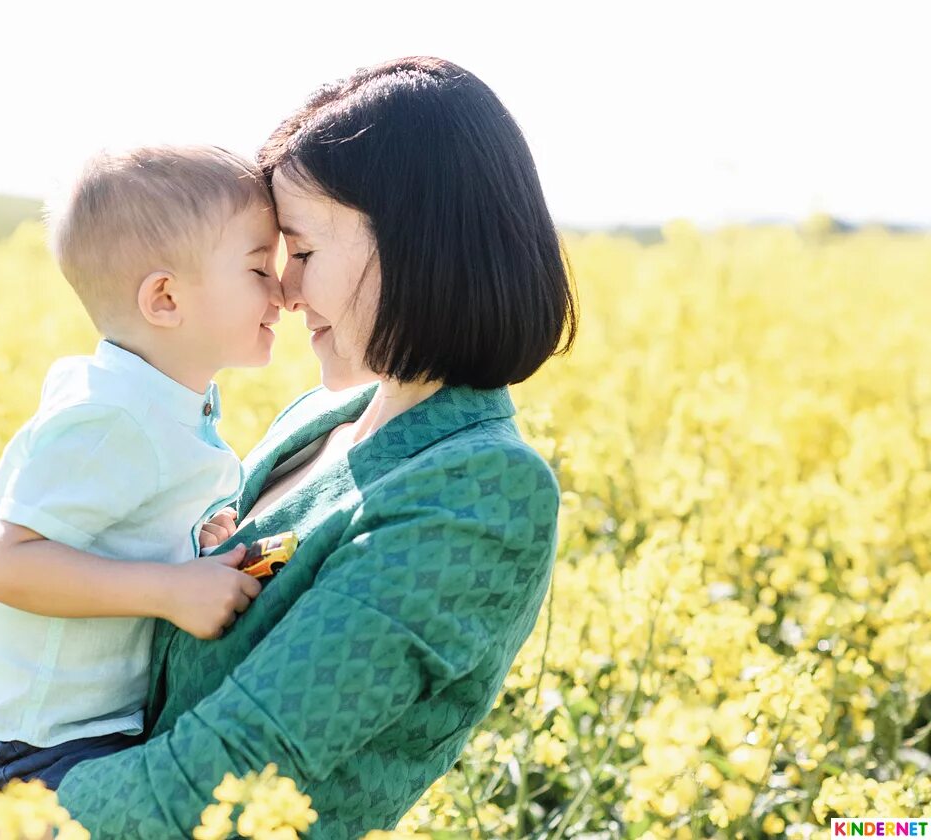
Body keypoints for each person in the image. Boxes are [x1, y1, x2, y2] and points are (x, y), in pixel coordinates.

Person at [53, 57, 577, 839]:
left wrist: (12, 814)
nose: (284, 292)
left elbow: (225, 773)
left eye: (300, 250)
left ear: (414, 243)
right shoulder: (324, 415)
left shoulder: (482, 490)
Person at [0, 145, 283, 803]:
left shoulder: (166, 401)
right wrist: (171, 589)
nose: (284, 291)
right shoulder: (111, 416)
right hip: (29, 743)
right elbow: (8, 566)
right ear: (166, 298)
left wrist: (195, 540)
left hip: (79, 731)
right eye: (259, 268)